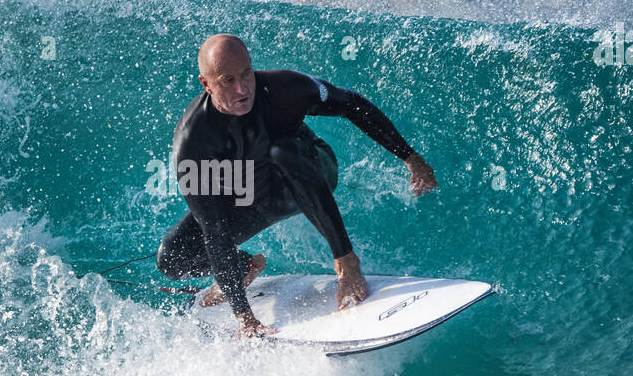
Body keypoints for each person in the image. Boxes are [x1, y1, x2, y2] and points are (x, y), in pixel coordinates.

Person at [156, 33, 437, 338]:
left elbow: (351, 104)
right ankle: (245, 267)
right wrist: (244, 317)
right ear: (206, 84)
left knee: (281, 151)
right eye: (227, 81)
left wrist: (410, 157)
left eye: (246, 74)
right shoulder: (194, 143)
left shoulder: (284, 89)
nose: (242, 89)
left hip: (312, 170)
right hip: (257, 196)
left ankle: (346, 262)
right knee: (172, 257)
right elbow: (215, 231)